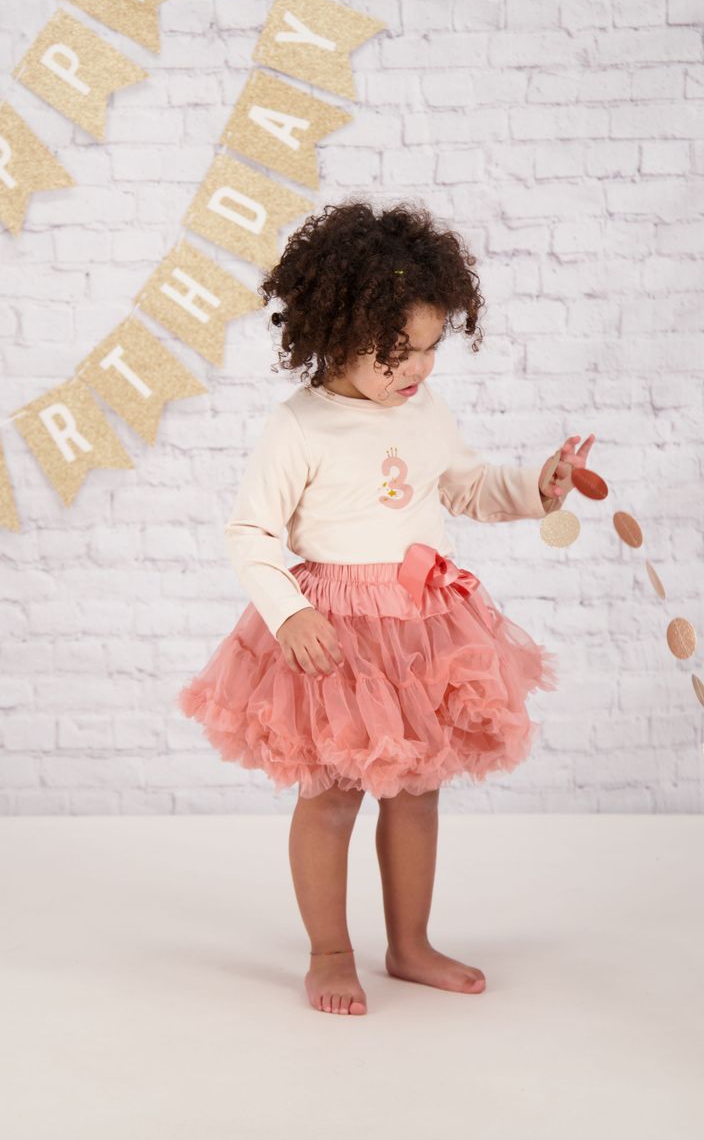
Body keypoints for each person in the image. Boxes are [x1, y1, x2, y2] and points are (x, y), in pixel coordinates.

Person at [177, 200, 595, 1016]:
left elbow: (467, 487)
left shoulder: (425, 412)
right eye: (398, 352)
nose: (419, 369)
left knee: (417, 791)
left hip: (418, 629)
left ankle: (410, 944)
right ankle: (331, 952)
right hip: (333, 634)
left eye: (432, 348)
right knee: (333, 794)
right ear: (336, 333)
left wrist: (536, 489)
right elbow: (250, 532)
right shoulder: (300, 425)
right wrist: (289, 611)